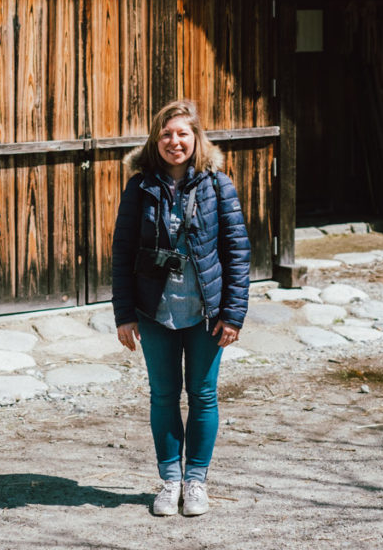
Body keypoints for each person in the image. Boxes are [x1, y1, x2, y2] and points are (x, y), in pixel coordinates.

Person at [111, 99, 251, 517]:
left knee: (204, 395)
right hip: (155, 310)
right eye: (167, 134)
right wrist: (124, 314)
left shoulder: (218, 185)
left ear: (196, 138)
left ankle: (196, 482)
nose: (175, 141)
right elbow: (122, 251)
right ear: (157, 140)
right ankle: (170, 480)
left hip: (206, 311)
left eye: (182, 134)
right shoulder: (140, 187)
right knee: (164, 395)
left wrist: (234, 313)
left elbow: (237, 254)